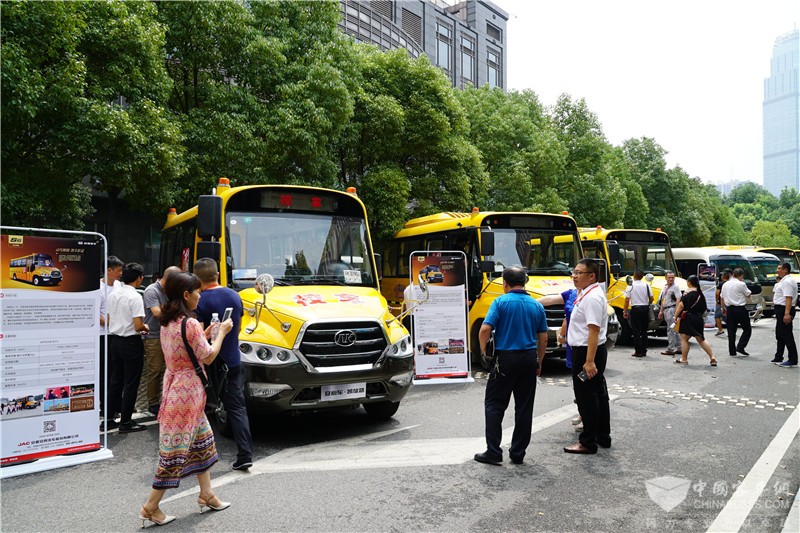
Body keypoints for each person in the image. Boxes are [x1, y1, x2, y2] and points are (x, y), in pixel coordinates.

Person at [139, 272, 234, 527]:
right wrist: (222, 332)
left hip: (174, 389)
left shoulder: (170, 321)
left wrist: (206, 331)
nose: (200, 296)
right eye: (198, 292)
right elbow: (208, 356)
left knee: (202, 441)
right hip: (188, 393)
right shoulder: (188, 323)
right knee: (174, 451)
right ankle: (150, 507)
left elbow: (186, 347)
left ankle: (207, 494)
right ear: (186, 294)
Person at [474, 266, 547, 466]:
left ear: (505, 283)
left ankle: (494, 451)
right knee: (524, 407)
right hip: (528, 358)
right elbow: (543, 338)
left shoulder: (500, 302)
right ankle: (517, 453)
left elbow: (484, 330)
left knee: (494, 404)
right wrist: (539, 361)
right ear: (524, 282)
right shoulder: (536, 305)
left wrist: (484, 352)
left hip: (505, 359)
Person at [194, 257, 254, 471]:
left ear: (197, 278)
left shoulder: (198, 300)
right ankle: (245, 454)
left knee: (200, 407)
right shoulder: (234, 295)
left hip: (211, 362)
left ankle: (196, 456)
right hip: (233, 360)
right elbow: (237, 327)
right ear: (217, 274)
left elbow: (198, 338)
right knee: (237, 408)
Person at [564, 258, 611, 455]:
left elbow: (593, 330)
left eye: (579, 273)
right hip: (588, 350)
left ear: (591, 276)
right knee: (597, 394)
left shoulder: (592, 297)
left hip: (586, 352)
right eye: (573, 272)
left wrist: (589, 361)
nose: (574, 276)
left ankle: (588, 442)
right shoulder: (587, 293)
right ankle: (602, 436)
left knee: (587, 397)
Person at [106, 262, 149, 432]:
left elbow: (109, 318)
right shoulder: (135, 297)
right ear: (139, 278)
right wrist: (147, 328)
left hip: (114, 340)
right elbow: (138, 325)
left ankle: (109, 418)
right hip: (131, 342)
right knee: (131, 383)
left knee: (115, 381)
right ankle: (125, 422)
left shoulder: (114, 294)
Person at [142, 266, 182, 416]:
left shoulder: (171, 291)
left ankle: (168, 399)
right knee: (155, 370)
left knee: (171, 369)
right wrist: (175, 308)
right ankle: (153, 403)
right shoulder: (151, 290)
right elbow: (157, 313)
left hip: (171, 335)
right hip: (154, 336)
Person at [98, 255, 124, 423]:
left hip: (117, 334)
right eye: (118, 270)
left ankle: (116, 406)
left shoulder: (118, 286)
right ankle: (105, 407)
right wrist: (114, 320)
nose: (121, 273)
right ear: (109, 270)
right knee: (105, 373)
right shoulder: (97, 288)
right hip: (103, 335)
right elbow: (94, 315)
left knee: (117, 372)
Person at [672, 275, 717, 366]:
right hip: (698, 318)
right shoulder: (700, 294)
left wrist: (675, 316)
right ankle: (712, 357)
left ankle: (684, 359)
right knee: (701, 339)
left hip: (687, 318)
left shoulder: (687, 294)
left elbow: (681, 306)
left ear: (689, 282)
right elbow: (704, 308)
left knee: (684, 339)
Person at [719, 267, 752, 357]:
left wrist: (723, 308)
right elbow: (748, 294)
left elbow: (722, 297)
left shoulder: (725, 284)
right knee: (747, 329)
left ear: (733, 274)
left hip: (729, 309)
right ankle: (741, 346)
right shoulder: (741, 284)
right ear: (741, 275)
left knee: (731, 331)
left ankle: (732, 351)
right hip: (740, 309)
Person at [771, 262, 798, 368]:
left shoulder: (787, 281)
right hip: (781, 309)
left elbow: (788, 298)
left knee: (787, 335)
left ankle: (792, 359)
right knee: (780, 334)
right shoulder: (784, 281)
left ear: (785, 270)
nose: (777, 270)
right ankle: (779, 356)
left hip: (784, 310)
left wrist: (787, 313)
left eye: (779, 268)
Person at [623, 269, 653, 357]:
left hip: (635, 309)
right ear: (642, 277)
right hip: (645, 308)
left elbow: (627, 300)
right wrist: (648, 303)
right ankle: (644, 350)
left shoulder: (630, 286)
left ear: (634, 275)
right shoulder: (646, 285)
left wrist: (625, 311)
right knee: (644, 330)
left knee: (636, 330)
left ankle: (638, 351)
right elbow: (651, 298)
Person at [658, 271, 683, 355]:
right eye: (669, 277)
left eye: (672, 277)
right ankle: (679, 347)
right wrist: (661, 311)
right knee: (674, 329)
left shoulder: (675, 287)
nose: (671, 279)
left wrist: (676, 312)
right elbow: (663, 300)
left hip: (671, 309)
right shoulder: (665, 287)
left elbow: (678, 299)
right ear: (666, 278)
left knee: (671, 329)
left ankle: (671, 349)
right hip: (666, 309)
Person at [714, 270, 731, 336]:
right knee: (726, 317)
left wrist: (716, 301)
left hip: (721, 302)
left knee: (717, 316)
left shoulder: (720, 284)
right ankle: (731, 330)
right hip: (729, 302)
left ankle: (720, 331)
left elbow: (717, 293)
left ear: (722, 277)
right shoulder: (730, 284)